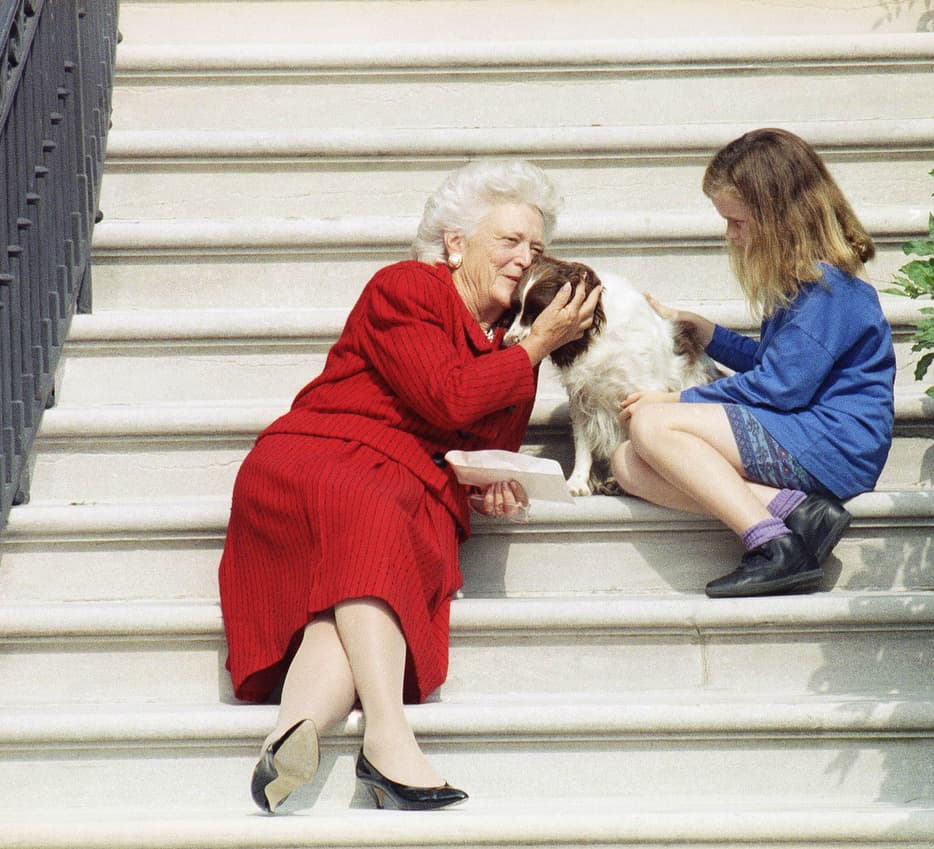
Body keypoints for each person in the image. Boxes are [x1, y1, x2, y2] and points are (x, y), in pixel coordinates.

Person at [218, 159, 601, 813]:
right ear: (456, 243)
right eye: (508, 240)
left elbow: (479, 448)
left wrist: (495, 486)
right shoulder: (409, 288)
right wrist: (537, 344)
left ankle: (293, 729)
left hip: (399, 491)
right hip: (320, 459)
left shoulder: (507, 345)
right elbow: (448, 400)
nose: (524, 258)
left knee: (345, 594)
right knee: (374, 516)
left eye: (535, 248)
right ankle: (388, 736)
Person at [613, 128, 896, 598]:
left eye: (738, 221)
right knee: (627, 464)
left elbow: (781, 387)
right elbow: (781, 366)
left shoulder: (830, 287)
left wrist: (676, 398)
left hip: (834, 443)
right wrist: (711, 337)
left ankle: (776, 548)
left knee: (653, 426)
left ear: (782, 215)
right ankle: (799, 513)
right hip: (807, 433)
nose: (731, 235)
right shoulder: (809, 282)